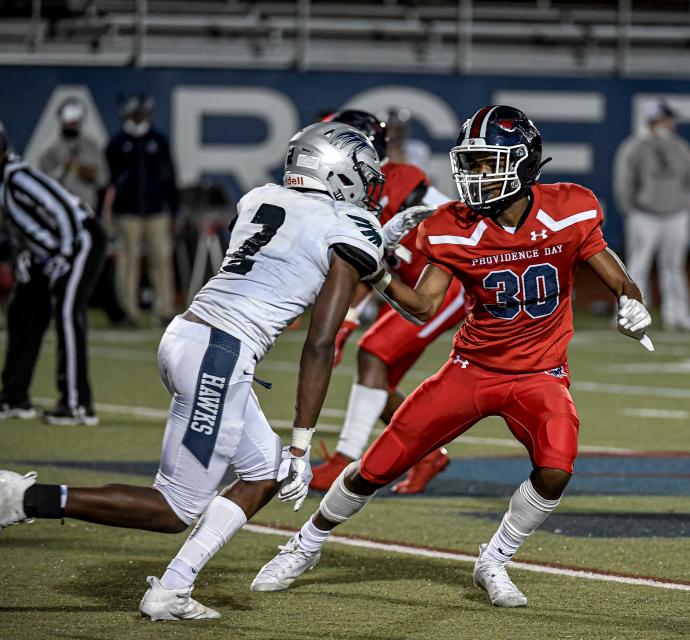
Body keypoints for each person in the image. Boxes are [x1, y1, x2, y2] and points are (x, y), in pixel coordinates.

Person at [0, 122, 426, 621]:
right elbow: (319, 342)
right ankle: (25, 498)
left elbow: (307, 250)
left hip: (191, 335)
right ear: (337, 171)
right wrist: (302, 443)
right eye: (363, 176)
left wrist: (376, 248)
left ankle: (172, 588)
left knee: (263, 474)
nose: (371, 190)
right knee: (174, 508)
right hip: (218, 353)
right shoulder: (345, 226)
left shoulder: (260, 197)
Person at [250, 105, 653, 607]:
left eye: (488, 163)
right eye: (472, 163)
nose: (476, 175)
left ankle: (496, 558)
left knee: (556, 468)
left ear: (523, 163)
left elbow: (616, 274)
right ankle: (306, 543)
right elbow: (420, 307)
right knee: (377, 467)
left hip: (540, 374)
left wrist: (631, 303)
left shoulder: (571, 207)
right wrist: (376, 271)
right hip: (471, 371)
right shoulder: (451, 226)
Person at [311, 109, 460, 495]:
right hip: (402, 284)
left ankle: (346, 461)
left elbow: (456, 219)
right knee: (379, 380)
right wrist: (348, 317)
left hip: (446, 283)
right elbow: (365, 262)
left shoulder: (404, 180)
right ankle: (429, 454)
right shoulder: (352, 189)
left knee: (373, 353)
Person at [0, 120, 107, 425]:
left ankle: (77, 405)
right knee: (22, 311)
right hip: (48, 252)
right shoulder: (4, 183)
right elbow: (19, 227)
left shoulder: (17, 176)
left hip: (80, 239)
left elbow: (61, 208)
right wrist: (23, 255)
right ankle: (14, 397)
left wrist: (64, 253)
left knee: (67, 312)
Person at [39, 97, 130, 327]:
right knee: (61, 263)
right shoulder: (51, 149)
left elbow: (103, 179)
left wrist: (91, 174)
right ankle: (52, 309)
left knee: (97, 261)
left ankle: (114, 313)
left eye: (74, 120)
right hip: (61, 214)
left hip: (86, 211)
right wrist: (64, 169)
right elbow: (44, 181)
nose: (71, 125)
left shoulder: (91, 145)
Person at [613, 98, 690, 331]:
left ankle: (678, 314)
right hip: (644, 214)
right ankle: (632, 316)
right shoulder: (635, 147)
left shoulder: (680, 147)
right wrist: (631, 210)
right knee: (638, 266)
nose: (672, 124)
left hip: (676, 214)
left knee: (674, 266)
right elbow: (624, 182)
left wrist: (687, 208)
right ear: (655, 120)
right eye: (668, 119)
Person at [104, 92, 179, 324]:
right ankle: (129, 310)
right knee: (128, 261)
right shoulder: (117, 143)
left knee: (161, 259)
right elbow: (110, 179)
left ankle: (164, 309)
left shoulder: (158, 140)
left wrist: (173, 209)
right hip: (127, 211)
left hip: (156, 210)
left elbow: (170, 177)